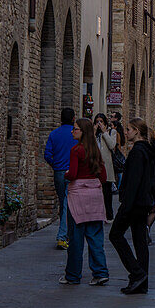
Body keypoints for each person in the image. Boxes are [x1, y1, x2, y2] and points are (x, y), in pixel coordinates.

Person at [59, 118, 109, 286]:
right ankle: (100, 272)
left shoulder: (76, 150)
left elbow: (72, 174)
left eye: (75, 129)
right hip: (95, 196)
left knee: (76, 238)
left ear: (83, 132)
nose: (72, 132)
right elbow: (103, 177)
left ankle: (73, 275)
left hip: (78, 197)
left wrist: (65, 174)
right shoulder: (96, 150)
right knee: (95, 237)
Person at [109, 118, 155, 294]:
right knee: (140, 241)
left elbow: (134, 181)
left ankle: (137, 273)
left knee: (115, 235)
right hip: (143, 201)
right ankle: (142, 282)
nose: (125, 132)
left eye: (128, 129)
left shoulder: (137, 152)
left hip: (134, 203)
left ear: (137, 131)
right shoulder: (147, 150)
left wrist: (126, 205)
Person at [44, 107, 78, 249]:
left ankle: (66, 234)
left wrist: (55, 165)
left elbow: (47, 155)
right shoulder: (76, 135)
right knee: (67, 205)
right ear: (73, 119)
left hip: (58, 172)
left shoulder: (54, 134)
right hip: (72, 173)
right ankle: (62, 237)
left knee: (63, 202)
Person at [94, 113, 117, 222]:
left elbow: (112, 145)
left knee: (107, 193)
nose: (99, 124)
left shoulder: (112, 132)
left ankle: (109, 215)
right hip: (95, 166)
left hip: (106, 166)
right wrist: (93, 133)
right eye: (97, 121)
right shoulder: (94, 134)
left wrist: (104, 133)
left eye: (101, 122)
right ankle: (98, 215)